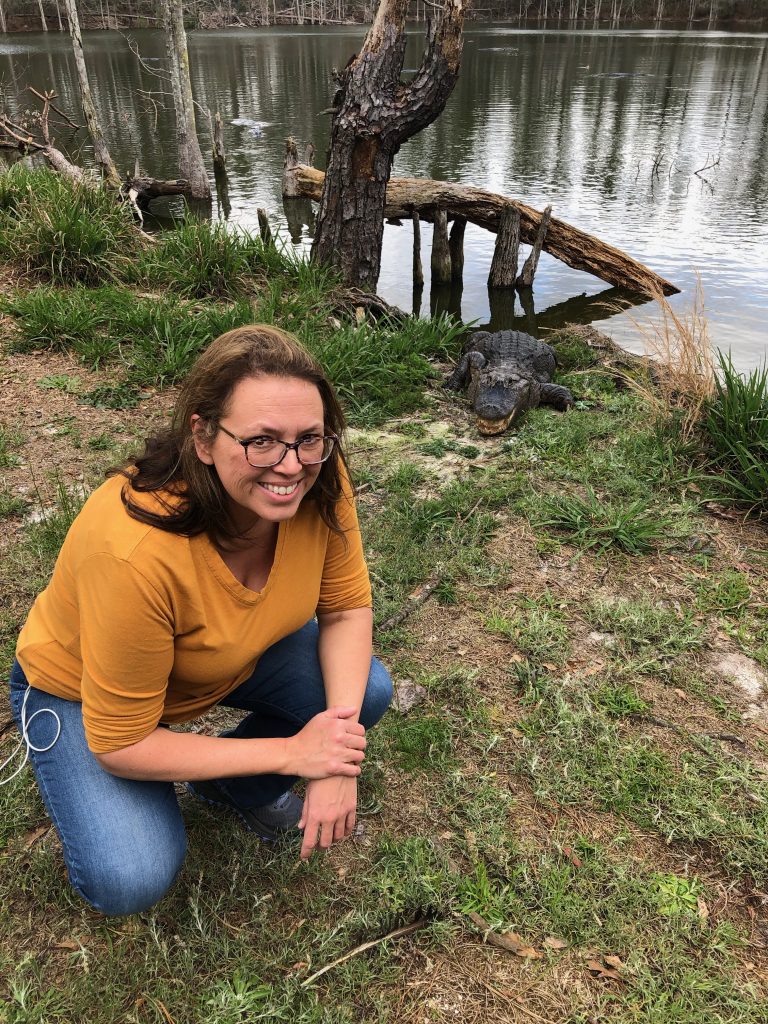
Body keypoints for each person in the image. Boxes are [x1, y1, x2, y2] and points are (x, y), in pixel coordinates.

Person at [7, 325, 393, 916]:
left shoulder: (319, 478)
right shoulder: (134, 549)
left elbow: (343, 608)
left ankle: (228, 789)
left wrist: (335, 754)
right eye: (261, 441)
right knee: (130, 873)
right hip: (82, 696)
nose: (290, 466)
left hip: (220, 661)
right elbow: (122, 742)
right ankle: (93, 775)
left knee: (364, 688)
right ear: (204, 435)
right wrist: (295, 754)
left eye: (309, 438)